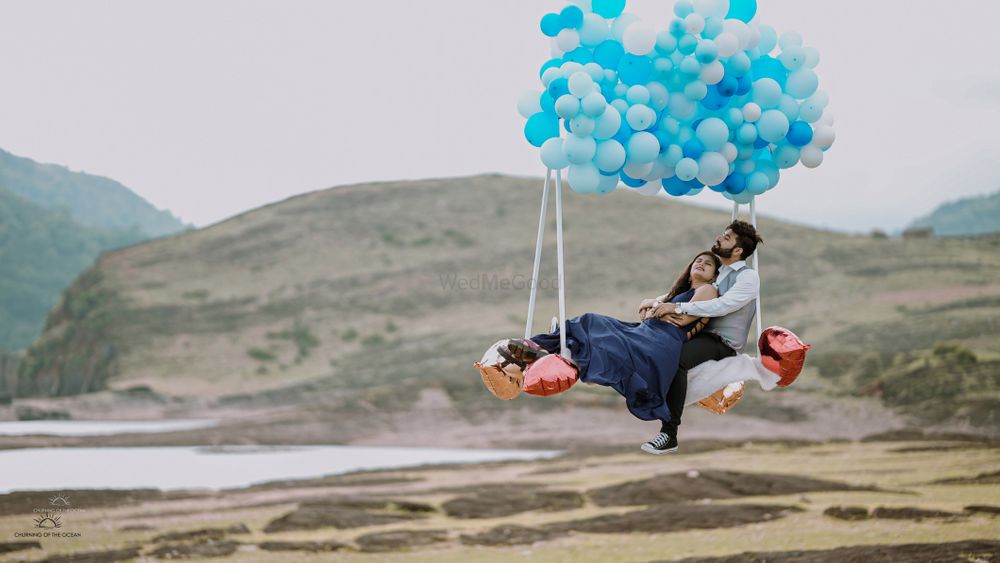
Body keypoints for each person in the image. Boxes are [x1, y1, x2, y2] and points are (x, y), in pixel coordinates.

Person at [503, 251, 722, 452]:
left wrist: (657, 308)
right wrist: (658, 307)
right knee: (592, 322)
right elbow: (649, 312)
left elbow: (683, 318)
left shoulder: (708, 289)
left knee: (603, 336)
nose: (701, 263)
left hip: (663, 339)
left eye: (708, 263)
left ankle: (554, 345)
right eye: (698, 260)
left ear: (714, 275)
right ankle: (539, 346)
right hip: (648, 331)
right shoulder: (682, 292)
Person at [638, 220, 764, 454]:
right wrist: (656, 301)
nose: (720, 238)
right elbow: (696, 294)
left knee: (677, 360)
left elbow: (722, 305)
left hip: (721, 342)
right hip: (700, 334)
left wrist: (676, 309)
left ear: (737, 250)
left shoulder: (747, 278)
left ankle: (669, 433)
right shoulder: (719, 274)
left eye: (727, 237)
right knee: (649, 345)